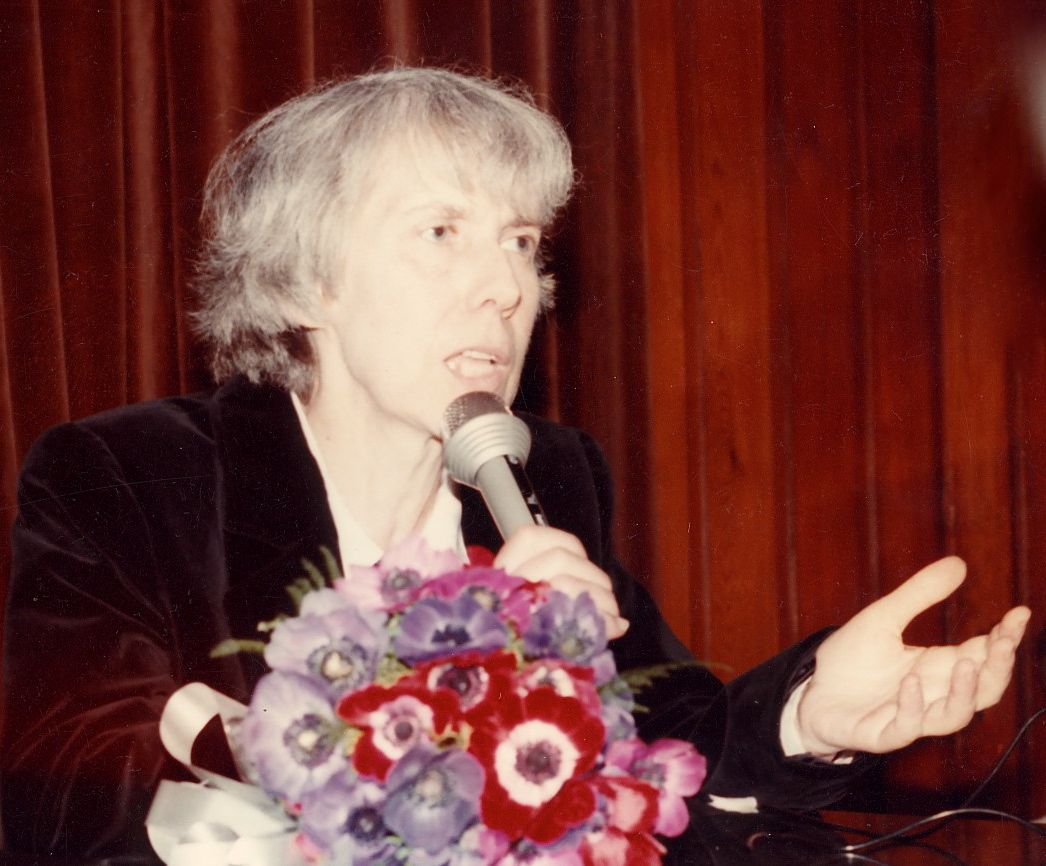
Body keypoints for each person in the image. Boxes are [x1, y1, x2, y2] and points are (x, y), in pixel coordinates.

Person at [1, 67, 1030, 861]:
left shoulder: (548, 479)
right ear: (303, 284)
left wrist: (811, 716)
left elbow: (665, 738)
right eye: (441, 232)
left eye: (521, 241)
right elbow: (66, 798)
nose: (505, 286)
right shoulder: (126, 476)